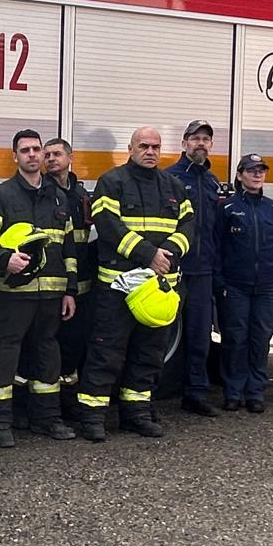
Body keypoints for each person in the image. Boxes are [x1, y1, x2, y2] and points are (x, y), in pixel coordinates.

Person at [76, 125, 194, 442]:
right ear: (131, 148)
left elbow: (189, 226)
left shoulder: (174, 186)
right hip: (118, 288)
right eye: (143, 145)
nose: (150, 151)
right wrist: (149, 254)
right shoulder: (111, 182)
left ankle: (136, 413)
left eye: (155, 146)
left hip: (159, 289)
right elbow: (109, 227)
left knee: (149, 354)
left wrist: (169, 254)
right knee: (106, 353)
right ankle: (92, 417)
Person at [0, 129, 78, 447]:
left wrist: (70, 290)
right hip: (14, 293)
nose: (33, 155)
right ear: (15, 156)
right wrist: (5, 259)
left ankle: (47, 419)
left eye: (37, 150)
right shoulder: (2, 195)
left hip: (51, 295)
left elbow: (70, 248)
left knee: (48, 356)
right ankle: (0, 423)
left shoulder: (59, 196)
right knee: (5, 357)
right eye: (26, 150)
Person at [215, 154, 273, 413]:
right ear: (240, 176)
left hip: (269, 285)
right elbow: (216, 247)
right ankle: (233, 391)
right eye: (251, 171)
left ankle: (255, 392)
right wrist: (220, 282)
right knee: (235, 339)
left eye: (261, 171)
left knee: (261, 339)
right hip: (236, 285)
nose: (257, 175)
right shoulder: (227, 208)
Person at [165, 119, 224, 416]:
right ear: (184, 143)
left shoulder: (213, 183)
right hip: (173, 271)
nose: (201, 143)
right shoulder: (168, 179)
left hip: (203, 272)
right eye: (195, 138)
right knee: (159, 336)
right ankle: (146, 396)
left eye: (206, 139)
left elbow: (217, 231)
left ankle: (196, 394)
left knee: (200, 336)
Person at [43, 137, 95, 423]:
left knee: (75, 347)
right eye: (47, 154)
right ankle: (47, 404)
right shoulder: (41, 192)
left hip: (81, 286)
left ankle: (69, 399)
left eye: (57, 154)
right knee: (50, 346)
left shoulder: (81, 194)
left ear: (70, 157)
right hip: (53, 284)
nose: (51, 159)